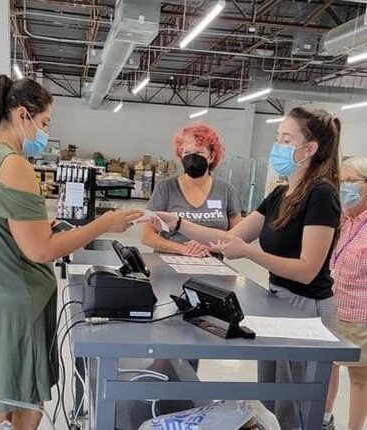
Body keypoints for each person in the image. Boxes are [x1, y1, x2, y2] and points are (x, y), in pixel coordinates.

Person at [0, 75, 141, 430]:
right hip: (13, 308)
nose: (44, 133)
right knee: (16, 403)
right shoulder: (12, 164)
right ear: (23, 115)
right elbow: (41, 251)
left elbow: (4, 232)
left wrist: (44, 227)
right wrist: (103, 224)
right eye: (44, 123)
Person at [152, 107, 341, 430]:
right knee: (271, 402)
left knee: (294, 411)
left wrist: (249, 254)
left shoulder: (322, 195)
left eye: (286, 139)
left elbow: (308, 269)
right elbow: (230, 237)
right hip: (277, 302)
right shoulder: (282, 193)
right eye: (277, 138)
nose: (277, 146)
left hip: (307, 309)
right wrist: (179, 222)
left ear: (309, 149)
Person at [142, 123, 241, 257]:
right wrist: (183, 249)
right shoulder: (165, 188)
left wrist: (209, 247)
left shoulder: (227, 191)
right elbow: (147, 236)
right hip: (170, 264)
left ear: (211, 156)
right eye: (187, 153)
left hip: (211, 264)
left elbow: (237, 238)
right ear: (180, 156)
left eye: (199, 152)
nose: (192, 158)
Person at [324, 156, 367, 430]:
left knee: (360, 377)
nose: (345, 187)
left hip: (360, 315)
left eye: (352, 181)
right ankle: (324, 419)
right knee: (327, 368)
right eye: (342, 181)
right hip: (330, 307)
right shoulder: (340, 218)